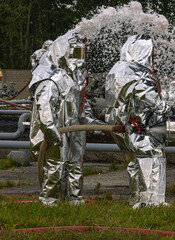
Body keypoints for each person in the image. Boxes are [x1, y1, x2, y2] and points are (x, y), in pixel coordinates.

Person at [29, 33, 104, 205]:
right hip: (57, 135)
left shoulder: (75, 82)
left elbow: (82, 110)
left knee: (75, 166)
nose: (79, 61)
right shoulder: (51, 79)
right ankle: (50, 201)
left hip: (75, 136)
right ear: (63, 54)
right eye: (75, 54)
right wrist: (50, 130)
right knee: (55, 167)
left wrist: (96, 125)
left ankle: (74, 199)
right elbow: (44, 106)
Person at [105, 34, 173, 208]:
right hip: (141, 128)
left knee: (134, 164)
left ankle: (136, 200)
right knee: (152, 160)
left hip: (121, 128)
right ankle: (151, 203)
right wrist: (166, 109)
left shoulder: (117, 70)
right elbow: (147, 96)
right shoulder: (138, 73)